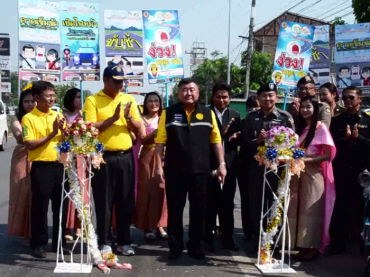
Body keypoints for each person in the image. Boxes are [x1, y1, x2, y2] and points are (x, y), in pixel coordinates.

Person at [154, 78, 226, 260]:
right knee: (175, 210)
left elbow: (216, 141)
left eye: (192, 89)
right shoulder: (168, 113)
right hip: (174, 171)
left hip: (201, 171)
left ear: (198, 92)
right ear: (178, 93)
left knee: (199, 211)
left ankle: (196, 246)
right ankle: (175, 246)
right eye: (184, 90)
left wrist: (222, 164)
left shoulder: (208, 114)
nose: (189, 93)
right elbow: (160, 142)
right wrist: (157, 167)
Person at [83, 64, 142, 256]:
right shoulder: (92, 100)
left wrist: (128, 119)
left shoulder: (129, 99)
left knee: (125, 200)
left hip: (125, 156)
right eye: (116, 82)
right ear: (105, 80)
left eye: (122, 81)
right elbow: (89, 129)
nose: (120, 85)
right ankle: (105, 241)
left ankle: (124, 240)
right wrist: (113, 118)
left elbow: (139, 128)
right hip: (103, 157)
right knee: (104, 201)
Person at [240, 83, 294, 252]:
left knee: (275, 204)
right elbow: (244, 142)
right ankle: (258, 241)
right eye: (264, 95)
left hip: (277, 170)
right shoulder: (251, 117)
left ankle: (274, 242)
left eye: (271, 95)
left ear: (276, 97)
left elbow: (292, 142)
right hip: (256, 169)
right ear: (258, 98)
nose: (267, 99)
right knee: (256, 205)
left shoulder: (285, 117)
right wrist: (258, 141)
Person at [22, 81, 68, 259]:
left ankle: (59, 243)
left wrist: (64, 133)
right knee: (40, 207)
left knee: (61, 206)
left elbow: (65, 139)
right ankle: (39, 244)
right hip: (41, 167)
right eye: (48, 95)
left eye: (53, 95)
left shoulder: (57, 114)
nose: (52, 98)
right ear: (36, 98)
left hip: (60, 165)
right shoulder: (29, 118)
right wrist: (51, 133)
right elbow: (30, 144)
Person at [288, 96, 336, 261]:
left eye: (309, 107)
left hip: (314, 175)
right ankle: (302, 246)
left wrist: (306, 160)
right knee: (300, 210)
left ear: (315, 110)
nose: (305, 110)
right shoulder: (303, 129)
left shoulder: (320, 128)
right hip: (299, 174)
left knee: (312, 211)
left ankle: (314, 247)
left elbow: (328, 156)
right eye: (303, 107)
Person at [329, 86, 370, 254]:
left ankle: (363, 246)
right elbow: (330, 143)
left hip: (362, 171)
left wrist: (358, 138)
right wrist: (343, 139)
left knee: (362, 209)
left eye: (351, 98)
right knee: (340, 207)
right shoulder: (338, 120)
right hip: (342, 169)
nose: (347, 101)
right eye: (345, 98)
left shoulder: (367, 119)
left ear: (360, 99)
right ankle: (338, 243)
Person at [204, 83, 240, 252]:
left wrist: (234, 137)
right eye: (218, 96)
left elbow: (241, 139)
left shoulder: (235, 115)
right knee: (209, 203)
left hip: (230, 166)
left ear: (230, 98)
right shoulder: (204, 113)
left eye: (225, 96)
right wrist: (220, 131)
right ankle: (208, 238)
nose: (221, 99)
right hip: (209, 164)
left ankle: (227, 238)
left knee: (227, 204)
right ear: (213, 97)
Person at [134, 92, 168, 240]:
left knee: (162, 192)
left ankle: (160, 225)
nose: (153, 104)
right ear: (145, 104)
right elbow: (143, 140)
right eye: (150, 101)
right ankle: (147, 226)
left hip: (164, 158)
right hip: (147, 158)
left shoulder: (164, 118)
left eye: (156, 101)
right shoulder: (141, 120)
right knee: (147, 191)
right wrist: (157, 131)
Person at [8, 87, 36, 247]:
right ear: (21, 103)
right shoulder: (17, 118)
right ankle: (25, 233)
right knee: (23, 193)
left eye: (33, 101)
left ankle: (35, 232)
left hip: (40, 157)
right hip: (22, 157)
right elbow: (20, 136)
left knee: (37, 195)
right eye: (26, 101)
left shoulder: (44, 116)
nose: (30, 104)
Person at [62, 88, 88, 241]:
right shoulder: (61, 116)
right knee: (67, 194)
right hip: (65, 157)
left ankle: (79, 226)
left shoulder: (84, 115)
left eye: (81, 97)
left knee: (82, 192)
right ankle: (67, 227)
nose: (80, 100)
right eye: (78, 97)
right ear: (71, 99)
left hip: (81, 157)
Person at [238, 95, 260, 241]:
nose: (253, 111)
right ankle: (248, 231)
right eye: (250, 108)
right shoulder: (244, 122)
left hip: (264, 166)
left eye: (256, 108)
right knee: (246, 200)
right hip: (245, 165)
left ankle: (260, 231)